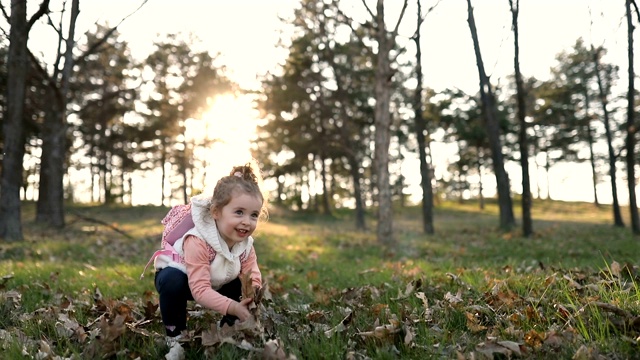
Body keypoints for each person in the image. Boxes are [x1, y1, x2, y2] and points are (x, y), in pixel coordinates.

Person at [153, 160, 267, 342]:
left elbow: (253, 276)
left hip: (218, 281)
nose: (247, 221)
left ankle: (229, 328)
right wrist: (232, 306)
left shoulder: (246, 245)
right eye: (239, 212)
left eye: (254, 215)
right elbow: (199, 289)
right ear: (216, 212)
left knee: (241, 286)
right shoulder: (197, 240)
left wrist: (251, 295)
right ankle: (175, 335)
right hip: (186, 281)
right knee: (172, 281)